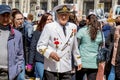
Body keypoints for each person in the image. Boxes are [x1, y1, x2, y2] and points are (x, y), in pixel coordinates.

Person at [37, 4, 82, 80]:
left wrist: (78, 60)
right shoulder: (49, 27)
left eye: (66, 15)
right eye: (61, 15)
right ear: (57, 15)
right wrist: (50, 53)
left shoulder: (73, 27)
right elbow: (40, 46)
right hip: (52, 67)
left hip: (66, 66)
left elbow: (74, 46)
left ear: (69, 15)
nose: (64, 17)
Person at [0, 4, 24, 80]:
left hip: (10, 73)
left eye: (7, 16)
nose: (5, 18)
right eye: (3, 15)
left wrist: (17, 69)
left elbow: (20, 54)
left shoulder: (17, 35)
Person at [76, 14, 103, 80]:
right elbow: (100, 46)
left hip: (82, 61)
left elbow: (76, 46)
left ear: (87, 20)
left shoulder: (82, 31)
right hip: (94, 62)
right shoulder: (99, 33)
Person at [27, 13, 53, 80]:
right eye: (47, 19)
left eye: (51, 19)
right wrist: (30, 64)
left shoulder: (54, 32)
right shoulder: (37, 32)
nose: (50, 21)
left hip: (51, 61)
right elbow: (32, 48)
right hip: (40, 61)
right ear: (43, 21)